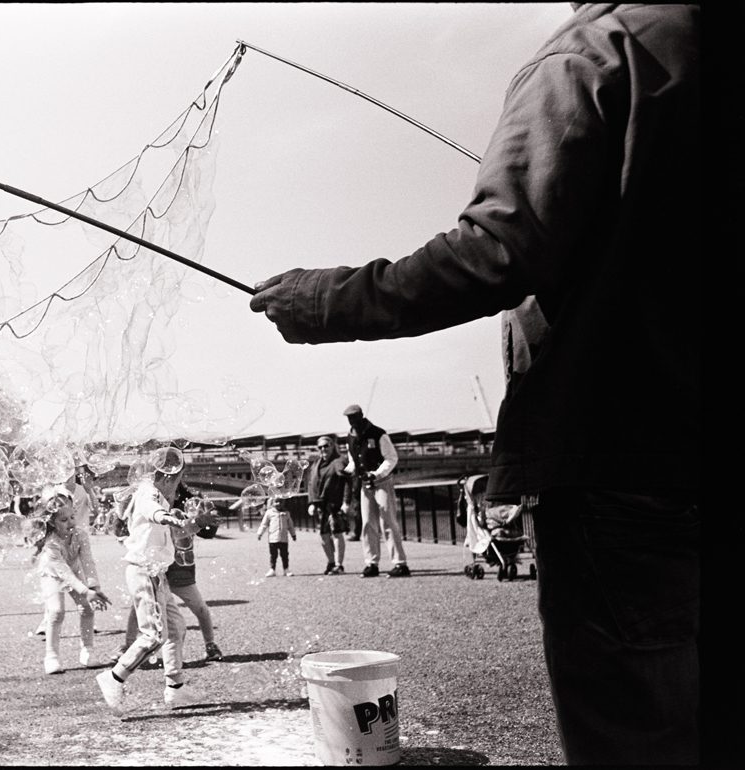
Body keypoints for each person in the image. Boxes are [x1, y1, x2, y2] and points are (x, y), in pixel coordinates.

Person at [248, 5, 700, 764]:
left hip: (619, 468)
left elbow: (497, 252)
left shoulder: (600, 51)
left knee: (640, 736)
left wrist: (324, 300)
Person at [95, 463, 197, 714]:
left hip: (156, 572)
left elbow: (175, 532)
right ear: (168, 477)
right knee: (153, 635)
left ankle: (175, 686)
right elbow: (153, 512)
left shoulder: (160, 498)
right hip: (144, 570)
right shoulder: (148, 492)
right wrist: (167, 516)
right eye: (177, 480)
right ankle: (114, 677)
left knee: (175, 628)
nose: (177, 488)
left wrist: (196, 523)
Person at [120, 481, 224, 663]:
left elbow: (206, 532)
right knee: (139, 609)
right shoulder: (154, 507)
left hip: (181, 571)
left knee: (200, 609)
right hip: (156, 569)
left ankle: (210, 644)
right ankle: (127, 646)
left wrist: (206, 519)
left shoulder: (187, 509)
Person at [34, 485, 110, 674]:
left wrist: (94, 587)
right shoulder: (51, 545)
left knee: (87, 608)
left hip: (73, 571)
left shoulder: (80, 535)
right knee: (56, 612)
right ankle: (51, 656)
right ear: (52, 523)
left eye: (72, 517)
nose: (70, 523)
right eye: (63, 519)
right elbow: (64, 575)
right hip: (52, 574)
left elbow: (88, 562)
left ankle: (87, 650)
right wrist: (86, 590)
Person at [339, 406, 408, 578]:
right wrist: (346, 470)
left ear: (361, 416)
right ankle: (371, 563)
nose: (352, 422)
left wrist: (377, 473)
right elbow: (354, 462)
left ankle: (400, 563)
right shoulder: (350, 438)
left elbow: (391, 457)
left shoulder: (378, 434)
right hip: (365, 484)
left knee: (388, 521)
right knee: (368, 523)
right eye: (349, 419)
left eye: (354, 418)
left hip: (382, 482)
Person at [304, 435, 348, 575]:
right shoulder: (316, 464)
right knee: (323, 535)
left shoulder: (339, 461)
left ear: (332, 446)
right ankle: (331, 562)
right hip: (320, 505)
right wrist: (311, 502)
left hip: (334, 504)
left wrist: (346, 502)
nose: (323, 449)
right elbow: (311, 484)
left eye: (326, 446)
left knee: (336, 533)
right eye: (320, 447)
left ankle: (339, 565)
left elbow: (347, 481)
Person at [257, 496, 297, 577]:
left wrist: (293, 534)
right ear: (272, 503)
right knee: (273, 555)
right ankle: (272, 569)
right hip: (273, 538)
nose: (278, 503)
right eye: (276, 501)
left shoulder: (286, 513)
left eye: (280, 501)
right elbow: (264, 524)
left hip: (283, 538)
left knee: (285, 555)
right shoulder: (269, 513)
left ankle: (286, 569)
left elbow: (290, 526)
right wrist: (260, 533)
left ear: (283, 503)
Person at [335, 435, 362, 541]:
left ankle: (354, 532)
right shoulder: (344, 460)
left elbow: (347, 479)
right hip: (352, 490)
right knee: (356, 511)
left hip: (352, 490)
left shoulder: (340, 461)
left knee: (355, 511)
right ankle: (354, 531)